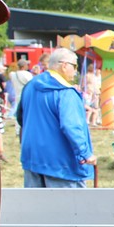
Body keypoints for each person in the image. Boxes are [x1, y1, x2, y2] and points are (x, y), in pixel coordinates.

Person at [17, 47, 95, 188]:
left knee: (35, 202)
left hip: (32, 157)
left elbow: (21, 118)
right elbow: (71, 126)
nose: (75, 71)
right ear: (64, 65)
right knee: (69, 203)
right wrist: (86, 153)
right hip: (61, 164)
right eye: (74, 66)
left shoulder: (30, 86)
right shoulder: (66, 92)